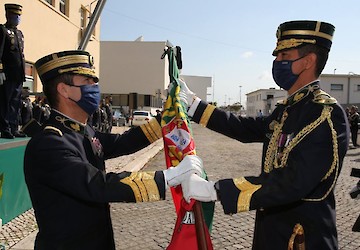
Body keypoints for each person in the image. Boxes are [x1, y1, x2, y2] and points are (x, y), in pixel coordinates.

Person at [177, 20, 349, 249]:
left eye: (284, 56)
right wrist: (195, 106)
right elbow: (244, 128)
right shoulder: (287, 109)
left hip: (302, 239)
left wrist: (217, 189)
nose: (277, 62)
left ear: (308, 61)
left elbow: (292, 183)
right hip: (271, 235)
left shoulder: (325, 115)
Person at [23, 50, 204, 250]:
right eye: (87, 81)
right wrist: (168, 177)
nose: (95, 87)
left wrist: (167, 117)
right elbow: (97, 185)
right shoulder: (49, 143)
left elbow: (121, 142)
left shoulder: (81, 131)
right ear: (64, 90)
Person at [0, 3, 26, 138]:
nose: (17, 18)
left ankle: (14, 127)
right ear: (7, 15)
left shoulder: (19, 34)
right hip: (7, 74)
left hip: (18, 74)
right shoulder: (3, 31)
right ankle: (5, 128)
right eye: (15, 15)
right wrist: (0, 71)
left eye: (19, 16)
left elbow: (20, 55)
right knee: (5, 102)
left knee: (16, 102)